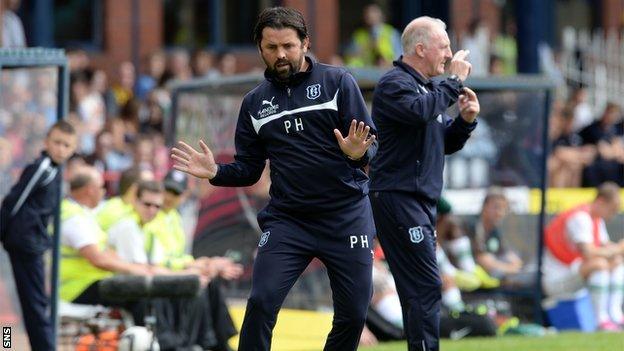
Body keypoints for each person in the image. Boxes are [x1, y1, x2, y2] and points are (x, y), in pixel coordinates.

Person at [171, 7, 377, 350]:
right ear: (260, 49)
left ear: (305, 43)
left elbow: (373, 146)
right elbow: (249, 169)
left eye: (288, 46)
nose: (280, 54)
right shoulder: (254, 103)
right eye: (271, 47)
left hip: (346, 216)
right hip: (289, 221)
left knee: (354, 315)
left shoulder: (338, 83)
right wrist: (216, 173)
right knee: (262, 302)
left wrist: (358, 153)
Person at [368, 16, 478, 351]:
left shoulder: (428, 88)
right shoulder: (394, 84)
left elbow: (441, 141)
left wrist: (465, 122)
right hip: (398, 197)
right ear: (421, 48)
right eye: (444, 46)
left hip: (419, 201)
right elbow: (420, 112)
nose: (449, 54)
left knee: (422, 286)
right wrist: (454, 82)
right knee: (426, 284)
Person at [0, 120, 78, 351]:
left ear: (73, 149)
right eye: (57, 142)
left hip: (31, 244)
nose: (61, 149)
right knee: (34, 303)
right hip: (25, 244)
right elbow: (14, 200)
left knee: (29, 302)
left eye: (67, 145)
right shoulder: (42, 167)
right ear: (46, 142)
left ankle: (16, 344)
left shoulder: (53, 170)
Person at [59, 165, 152, 304]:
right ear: (90, 190)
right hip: (76, 289)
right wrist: (136, 270)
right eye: (102, 187)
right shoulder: (74, 218)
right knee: (140, 295)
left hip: (90, 283)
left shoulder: (84, 213)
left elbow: (105, 252)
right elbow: (98, 259)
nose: (104, 192)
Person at [542, 182, 624, 331]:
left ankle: (616, 315)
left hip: (573, 274)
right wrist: (618, 249)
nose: (613, 215)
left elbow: (607, 248)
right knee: (599, 264)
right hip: (555, 279)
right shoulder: (580, 217)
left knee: (617, 261)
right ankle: (601, 320)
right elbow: (589, 252)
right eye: (612, 210)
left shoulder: (597, 220)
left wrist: (618, 250)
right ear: (601, 202)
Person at [466, 188, 529, 287]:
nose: (500, 213)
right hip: (471, 273)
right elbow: (482, 260)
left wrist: (518, 266)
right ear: (485, 207)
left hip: (494, 269)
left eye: (504, 209)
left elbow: (506, 253)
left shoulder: (494, 229)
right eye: (496, 207)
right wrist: (510, 269)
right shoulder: (473, 226)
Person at [346, 4, 401, 68]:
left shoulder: (391, 33)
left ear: (381, 16)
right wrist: (367, 47)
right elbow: (349, 58)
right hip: (365, 73)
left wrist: (387, 62)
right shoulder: (359, 35)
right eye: (368, 16)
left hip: (387, 72)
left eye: (374, 15)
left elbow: (400, 59)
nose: (371, 18)